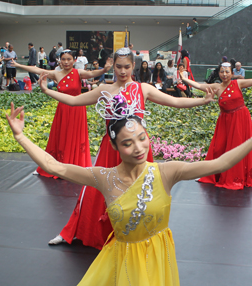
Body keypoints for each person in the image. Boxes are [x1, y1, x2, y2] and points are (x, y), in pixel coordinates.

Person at [5, 100, 252, 286]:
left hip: (158, 258)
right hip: (121, 259)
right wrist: (21, 136)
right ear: (115, 147)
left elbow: (219, 163)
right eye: (128, 143)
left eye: (142, 138)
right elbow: (54, 166)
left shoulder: (166, 172)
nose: (139, 147)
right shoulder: (104, 178)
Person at [40, 48, 215, 249]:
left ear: (134, 66)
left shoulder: (143, 89)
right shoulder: (104, 89)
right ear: (112, 66)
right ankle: (83, 230)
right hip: (111, 148)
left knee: (139, 191)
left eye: (127, 67)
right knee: (95, 190)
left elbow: (174, 101)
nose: (123, 71)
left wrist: (202, 100)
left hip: (137, 150)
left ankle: (136, 233)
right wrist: (47, 90)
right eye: (118, 66)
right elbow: (73, 101)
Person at [12, 50, 112, 177]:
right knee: (61, 135)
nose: (66, 62)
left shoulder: (78, 72)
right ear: (60, 60)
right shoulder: (56, 74)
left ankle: (77, 166)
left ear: (74, 60)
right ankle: (55, 166)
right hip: (63, 110)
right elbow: (36, 70)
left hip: (77, 109)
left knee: (75, 135)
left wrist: (104, 70)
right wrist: (18, 65)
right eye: (63, 59)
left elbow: (91, 73)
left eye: (69, 59)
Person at [181, 62, 252, 190]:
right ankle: (214, 174)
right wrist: (184, 79)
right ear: (219, 73)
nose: (225, 74)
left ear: (232, 73)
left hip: (240, 119)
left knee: (237, 148)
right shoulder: (216, 87)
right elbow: (199, 85)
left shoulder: (238, 84)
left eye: (227, 71)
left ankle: (236, 177)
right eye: (222, 71)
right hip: (225, 121)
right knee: (219, 148)